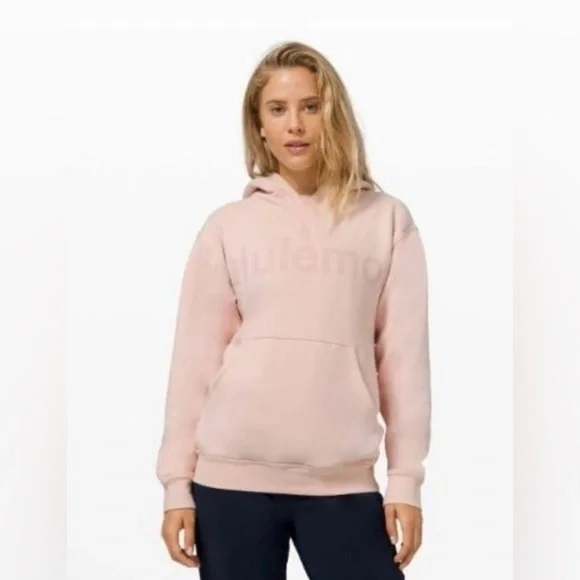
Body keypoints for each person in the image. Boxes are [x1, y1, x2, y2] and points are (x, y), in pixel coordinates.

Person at [155, 40, 431, 580]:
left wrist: (406, 480)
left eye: (310, 106)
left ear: (334, 113)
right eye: (277, 110)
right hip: (228, 482)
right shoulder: (228, 226)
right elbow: (193, 363)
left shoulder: (386, 221)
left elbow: (404, 362)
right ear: (259, 125)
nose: (295, 125)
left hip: (341, 481)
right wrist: (176, 486)